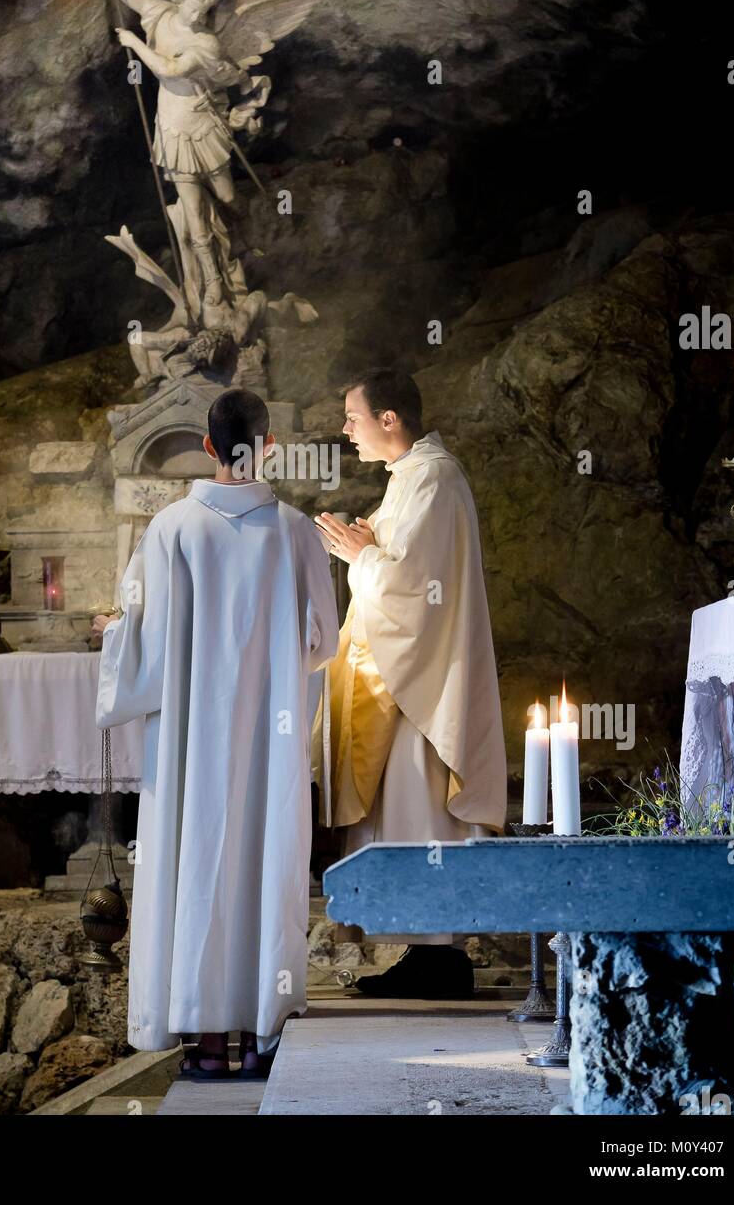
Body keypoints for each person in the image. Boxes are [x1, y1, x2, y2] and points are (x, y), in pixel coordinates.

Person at [94, 388, 338, 1078]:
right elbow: (323, 640)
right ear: (269, 446)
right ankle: (263, 1032)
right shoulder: (294, 531)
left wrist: (113, 638)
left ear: (207, 446)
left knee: (197, 866)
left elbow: (138, 637)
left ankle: (204, 1043)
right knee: (263, 867)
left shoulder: (169, 529)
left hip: (190, 748)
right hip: (270, 738)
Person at [314, 369, 507, 988]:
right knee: (403, 813)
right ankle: (427, 951)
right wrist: (368, 546)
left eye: (354, 416)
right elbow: (401, 569)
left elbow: (417, 591)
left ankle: (439, 951)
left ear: (389, 418)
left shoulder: (433, 478)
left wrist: (358, 554)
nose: (346, 430)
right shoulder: (410, 481)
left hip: (419, 689)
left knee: (417, 809)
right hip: (402, 679)